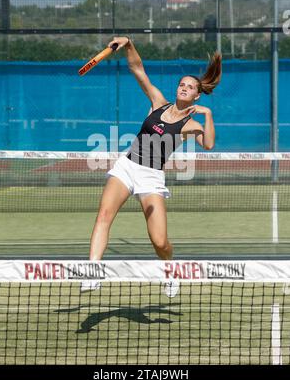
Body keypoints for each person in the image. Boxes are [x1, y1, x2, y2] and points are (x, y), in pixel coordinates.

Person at [82, 36, 222, 297]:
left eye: (189, 87)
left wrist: (208, 114)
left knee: (159, 241)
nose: (183, 88)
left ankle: (170, 270)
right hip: (127, 166)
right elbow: (137, 69)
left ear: (196, 94)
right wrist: (129, 43)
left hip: (151, 177)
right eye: (182, 84)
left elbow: (209, 145)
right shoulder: (158, 103)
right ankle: (92, 272)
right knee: (104, 215)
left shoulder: (191, 124)